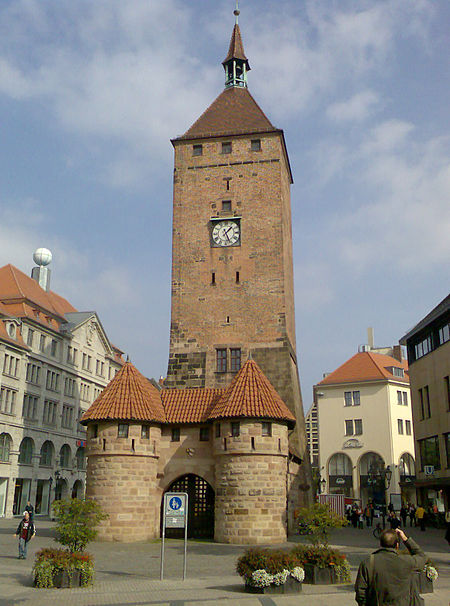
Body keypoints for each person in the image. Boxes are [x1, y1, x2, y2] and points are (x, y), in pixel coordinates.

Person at [355, 528, 427, 606]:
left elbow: (360, 592)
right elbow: (422, 557)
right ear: (397, 545)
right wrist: (405, 539)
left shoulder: (368, 562)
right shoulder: (406, 561)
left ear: (381, 544)